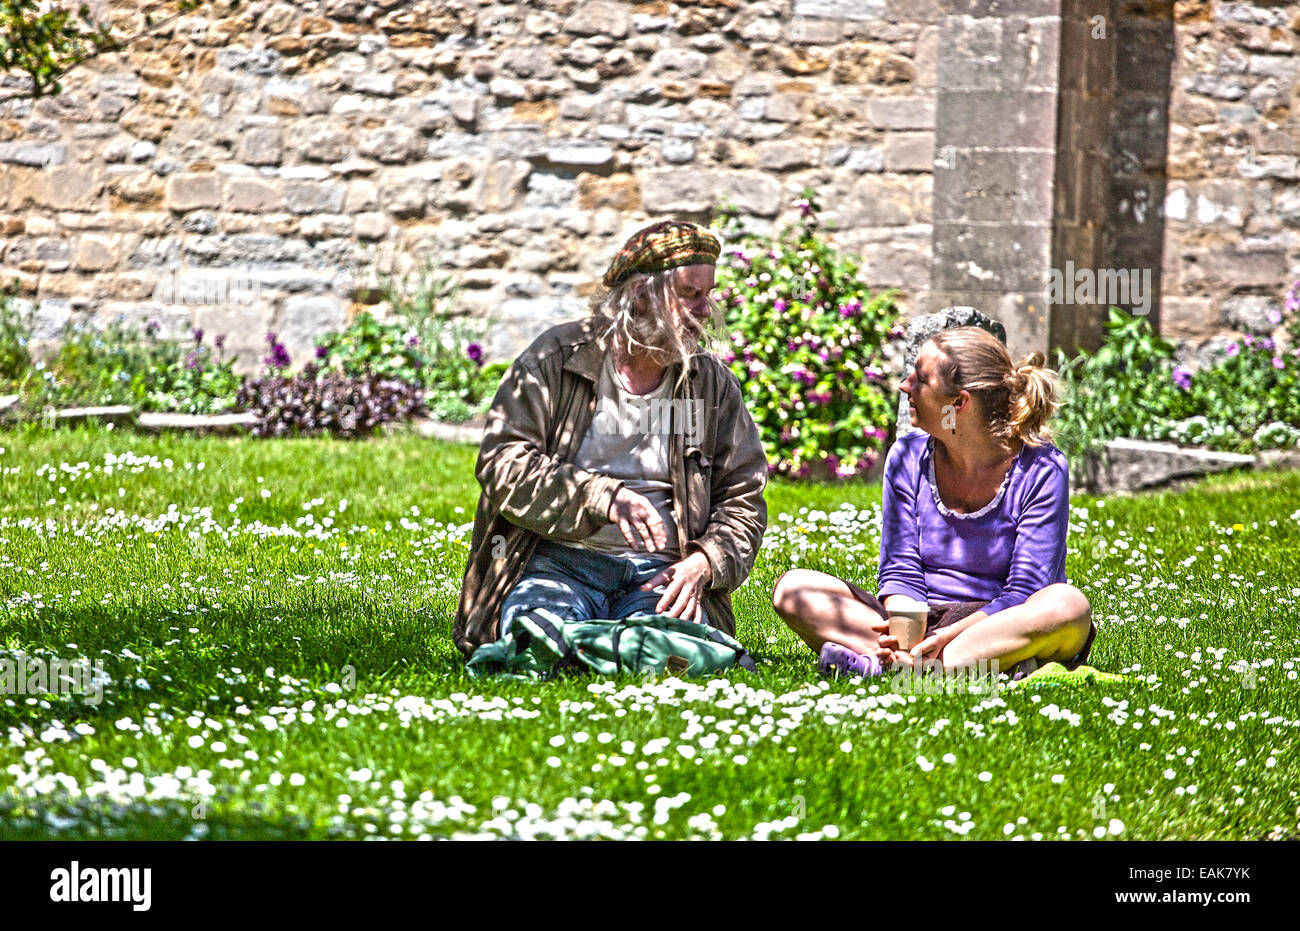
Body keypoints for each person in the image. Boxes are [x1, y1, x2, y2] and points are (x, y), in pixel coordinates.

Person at [453, 220, 769, 658]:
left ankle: (607, 645)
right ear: (641, 295)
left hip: (662, 574)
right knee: (538, 633)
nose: (705, 309)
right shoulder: (556, 360)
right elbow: (501, 463)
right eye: (690, 295)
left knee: (672, 651)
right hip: (559, 563)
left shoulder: (710, 385)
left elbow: (743, 496)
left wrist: (705, 562)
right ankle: (586, 644)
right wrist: (603, 497)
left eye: (708, 294)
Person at [771, 326, 1094, 679]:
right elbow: (901, 569)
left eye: (921, 379)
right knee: (794, 588)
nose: (904, 386)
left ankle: (896, 666)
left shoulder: (1042, 467)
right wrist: (907, 638)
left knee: (1067, 605)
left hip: (996, 624)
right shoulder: (907, 456)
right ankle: (943, 666)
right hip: (919, 621)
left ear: (959, 403)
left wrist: (948, 636)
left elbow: (1026, 589)